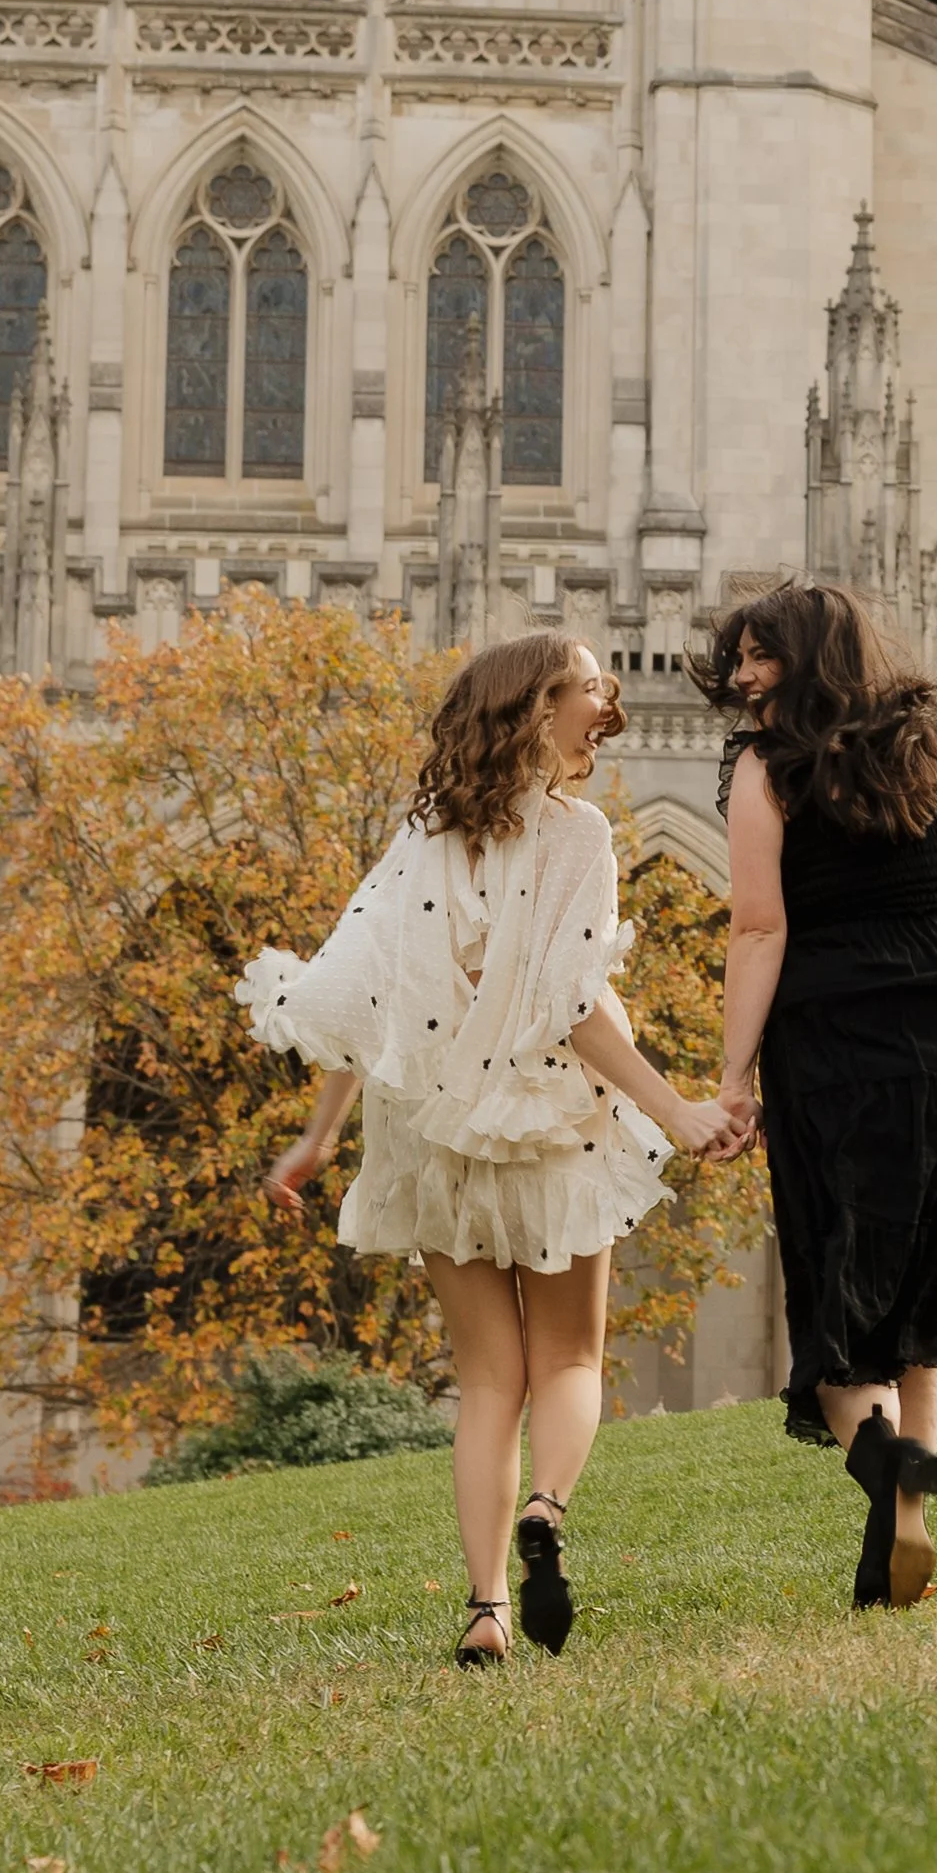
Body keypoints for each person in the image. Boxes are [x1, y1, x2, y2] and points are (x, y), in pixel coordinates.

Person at [241, 634, 743, 1667]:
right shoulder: (577, 836)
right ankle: (548, 1509)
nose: (603, 710)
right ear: (542, 706)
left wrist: (315, 1139)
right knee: (569, 1358)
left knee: (486, 1382)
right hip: (551, 1124)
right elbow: (576, 1010)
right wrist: (678, 1110)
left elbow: (364, 1000)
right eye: (591, 693)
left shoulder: (423, 835)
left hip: (434, 1140)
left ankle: (484, 1610)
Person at [694, 582, 937, 1609]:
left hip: (846, 1042)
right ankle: (902, 1534)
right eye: (739, 659)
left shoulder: (766, 769)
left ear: (808, 662)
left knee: (834, 1308)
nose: (742, 678)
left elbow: (759, 929)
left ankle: (888, 1462)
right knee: (922, 1303)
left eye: (762, 657)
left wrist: (730, 1078)